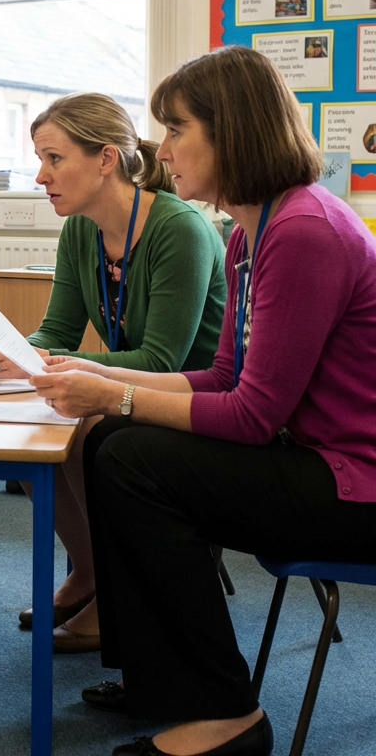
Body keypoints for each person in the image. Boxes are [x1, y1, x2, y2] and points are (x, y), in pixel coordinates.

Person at [33, 45, 376, 756]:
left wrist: (114, 392)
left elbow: (252, 416)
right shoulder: (254, 229)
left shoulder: (303, 230)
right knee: (107, 440)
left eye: (178, 129)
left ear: (234, 131)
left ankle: (226, 717)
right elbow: (223, 376)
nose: (161, 150)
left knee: (132, 459)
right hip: (313, 462)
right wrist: (101, 391)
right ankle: (161, 681)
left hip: (355, 485)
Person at [0, 93, 226, 651]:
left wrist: (54, 366)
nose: (40, 175)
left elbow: (160, 362)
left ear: (106, 159)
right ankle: (91, 573)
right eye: (40, 159)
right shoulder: (81, 230)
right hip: (130, 390)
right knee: (36, 431)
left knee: (86, 434)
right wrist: (5, 355)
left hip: (188, 399)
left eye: (54, 159)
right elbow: (53, 334)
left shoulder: (179, 230)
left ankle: (115, 590)